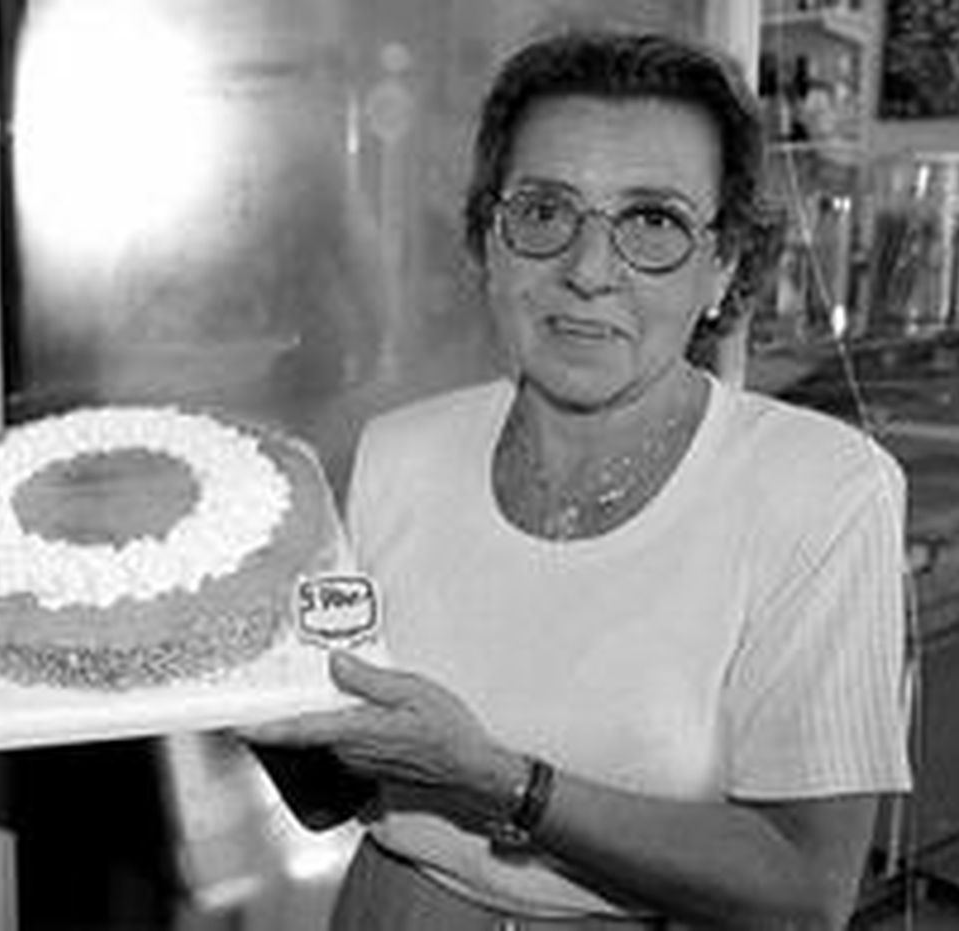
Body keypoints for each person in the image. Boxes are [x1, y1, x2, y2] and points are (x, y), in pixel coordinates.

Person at [242, 29, 912, 930]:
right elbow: (340, 794)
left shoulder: (822, 491)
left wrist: (506, 785)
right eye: (544, 210)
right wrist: (242, 684)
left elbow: (805, 889)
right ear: (488, 240)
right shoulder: (398, 452)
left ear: (724, 265)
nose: (589, 272)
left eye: (653, 222)